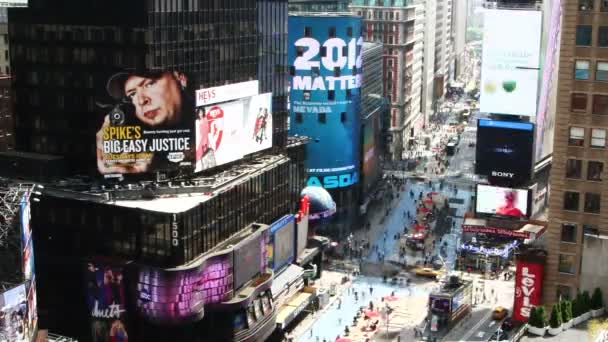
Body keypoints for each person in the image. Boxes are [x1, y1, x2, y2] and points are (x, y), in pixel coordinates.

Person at [96, 70, 194, 174]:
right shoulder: (131, 125)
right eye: (132, 94)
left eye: (149, 84)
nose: (141, 101)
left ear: (181, 79)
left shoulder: (205, 113)